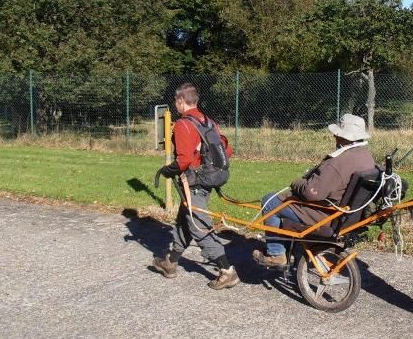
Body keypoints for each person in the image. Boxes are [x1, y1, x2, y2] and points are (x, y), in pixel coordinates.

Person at [252, 114, 376, 266]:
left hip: (326, 215)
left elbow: (311, 193)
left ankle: (276, 254)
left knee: (269, 201)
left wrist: (296, 183)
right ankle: (290, 246)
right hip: (346, 213)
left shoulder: (338, 162)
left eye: (336, 134)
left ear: (343, 137)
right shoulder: (366, 157)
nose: (334, 136)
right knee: (282, 200)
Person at [153, 83, 240, 290]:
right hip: (207, 179)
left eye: (176, 102)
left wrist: (167, 170)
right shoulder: (208, 121)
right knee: (185, 220)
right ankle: (171, 263)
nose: (176, 105)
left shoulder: (183, 125)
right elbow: (227, 151)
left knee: (199, 226)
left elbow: (182, 161)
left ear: (181, 101)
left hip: (194, 183)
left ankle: (227, 271)